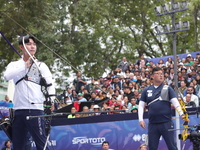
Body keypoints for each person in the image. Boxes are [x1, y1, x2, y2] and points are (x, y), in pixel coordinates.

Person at [4, 35, 55, 150]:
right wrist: (24, 66)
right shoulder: (15, 65)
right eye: (29, 44)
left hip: (36, 110)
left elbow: (50, 85)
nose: (32, 47)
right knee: (18, 145)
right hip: (18, 110)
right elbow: (7, 76)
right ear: (21, 47)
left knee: (41, 144)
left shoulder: (41, 65)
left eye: (34, 44)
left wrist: (51, 100)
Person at [138, 67, 185, 150]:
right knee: (152, 147)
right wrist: (140, 119)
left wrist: (181, 113)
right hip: (153, 124)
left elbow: (175, 102)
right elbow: (141, 105)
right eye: (158, 73)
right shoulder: (146, 90)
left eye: (162, 74)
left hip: (166, 122)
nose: (161, 75)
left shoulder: (167, 88)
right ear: (152, 76)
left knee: (172, 146)